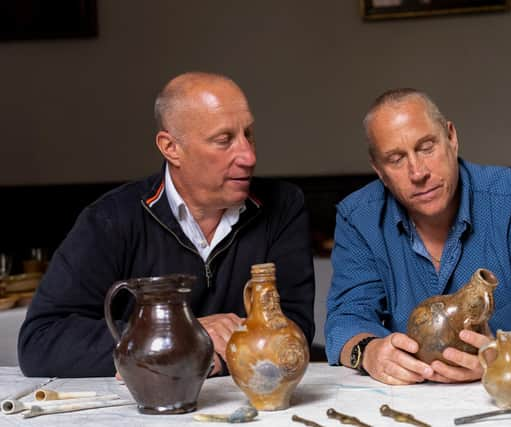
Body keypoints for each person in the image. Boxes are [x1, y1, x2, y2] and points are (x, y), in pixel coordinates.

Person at [18, 72, 315, 377]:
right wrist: (179, 338)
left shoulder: (283, 206)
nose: (249, 156)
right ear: (171, 148)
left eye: (248, 134)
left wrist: (215, 360)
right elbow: (40, 341)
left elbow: (294, 327)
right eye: (224, 140)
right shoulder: (111, 218)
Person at [325, 88, 511, 385]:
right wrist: (369, 351)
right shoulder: (358, 218)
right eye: (396, 159)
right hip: (411, 398)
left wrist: (501, 354)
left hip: (509, 395)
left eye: (426, 147)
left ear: (451, 137)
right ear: (379, 170)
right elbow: (347, 318)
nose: (418, 172)